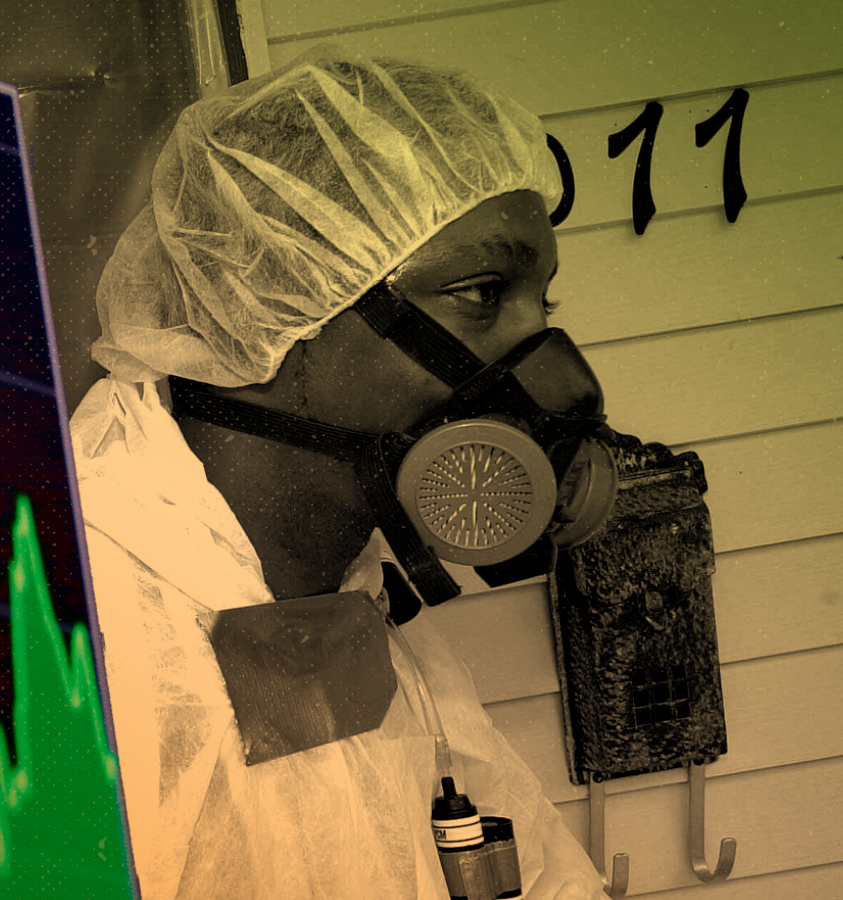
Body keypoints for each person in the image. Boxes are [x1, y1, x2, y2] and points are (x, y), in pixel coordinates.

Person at [70, 47, 609, 899]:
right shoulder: (90, 635)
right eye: (480, 293)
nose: (546, 365)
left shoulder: (349, 582)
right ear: (282, 301)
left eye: (543, 304)